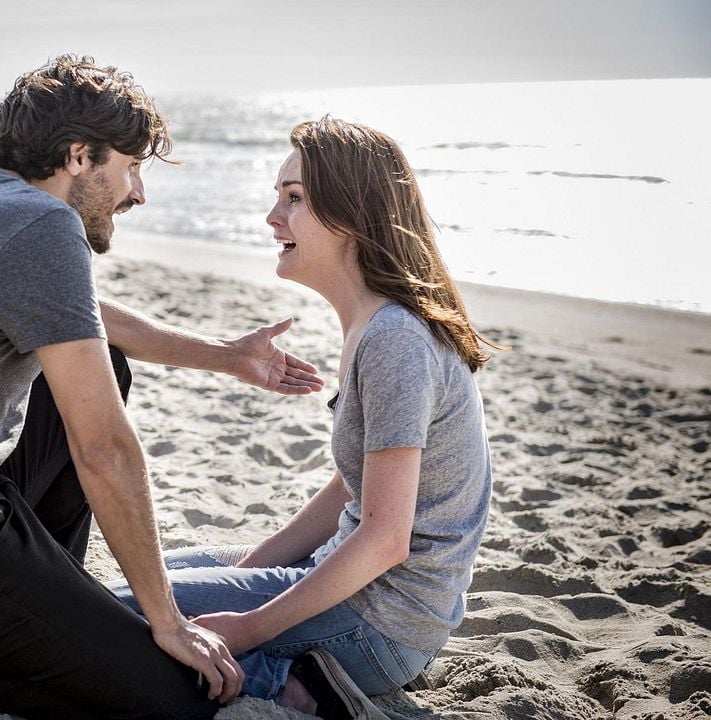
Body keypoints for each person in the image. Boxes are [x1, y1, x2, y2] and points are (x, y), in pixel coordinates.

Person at [0, 55, 325, 720]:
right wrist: (166, 620)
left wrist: (225, 356)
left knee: (106, 359)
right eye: (130, 167)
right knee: (178, 697)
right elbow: (103, 449)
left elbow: (81, 320)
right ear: (79, 156)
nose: (139, 193)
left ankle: (33, 614)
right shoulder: (41, 225)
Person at [109, 117, 499, 719]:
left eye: (294, 199)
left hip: (382, 627)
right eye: (278, 196)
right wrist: (249, 567)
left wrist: (249, 628)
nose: (272, 217)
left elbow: (386, 538)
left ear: (353, 216)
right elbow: (352, 488)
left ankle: (292, 686)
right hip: (353, 587)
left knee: (114, 617)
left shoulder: (396, 340)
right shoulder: (374, 325)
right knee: (139, 586)